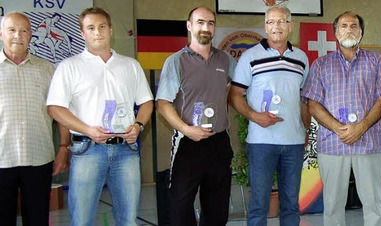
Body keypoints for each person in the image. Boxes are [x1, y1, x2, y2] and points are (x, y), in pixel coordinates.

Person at [46, 7, 153, 225]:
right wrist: (88, 130)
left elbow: (147, 102)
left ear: (111, 30)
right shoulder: (69, 67)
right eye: (91, 28)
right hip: (87, 150)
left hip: (126, 149)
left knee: (128, 220)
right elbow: (55, 108)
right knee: (82, 220)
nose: (97, 32)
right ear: (83, 33)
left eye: (102, 26)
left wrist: (139, 125)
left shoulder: (130, 65)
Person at [301, 11, 381, 226]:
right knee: (332, 205)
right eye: (343, 26)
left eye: (353, 26)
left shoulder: (377, 62)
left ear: (361, 32)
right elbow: (312, 103)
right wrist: (338, 128)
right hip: (332, 144)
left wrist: (361, 127)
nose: (348, 29)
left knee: (374, 205)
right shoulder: (321, 65)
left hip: (370, 143)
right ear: (335, 32)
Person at [229, 5, 309, 226]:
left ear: (290, 26)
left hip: (293, 143)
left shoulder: (301, 58)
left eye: (282, 21)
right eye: (272, 22)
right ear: (265, 26)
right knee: (259, 205)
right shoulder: (250, 57)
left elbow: (304, 99)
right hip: (261, 142)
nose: (277, 26)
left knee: (291, 204)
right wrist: (254, 116)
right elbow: (235, 95)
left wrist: (306, 129)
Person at [156, 6, 236, 226]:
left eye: (210, 23)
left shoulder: (226, 60)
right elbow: (163, 104)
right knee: (180, 207)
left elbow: (235, 90)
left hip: (218, 142)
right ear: (189, 26)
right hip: (187, 143)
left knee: (217, 210)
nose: (206, 27)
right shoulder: (176, 61)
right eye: (200, 22)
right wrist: (186, 129)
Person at [0, 12, 70, 226]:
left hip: (39, 158)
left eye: (24, 31)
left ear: (31, 35)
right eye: (12, 30)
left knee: (38, 219)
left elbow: (60, 113)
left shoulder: (47, 69)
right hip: (2, 159)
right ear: (1, 34)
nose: (17, 36)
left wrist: (63, 147)